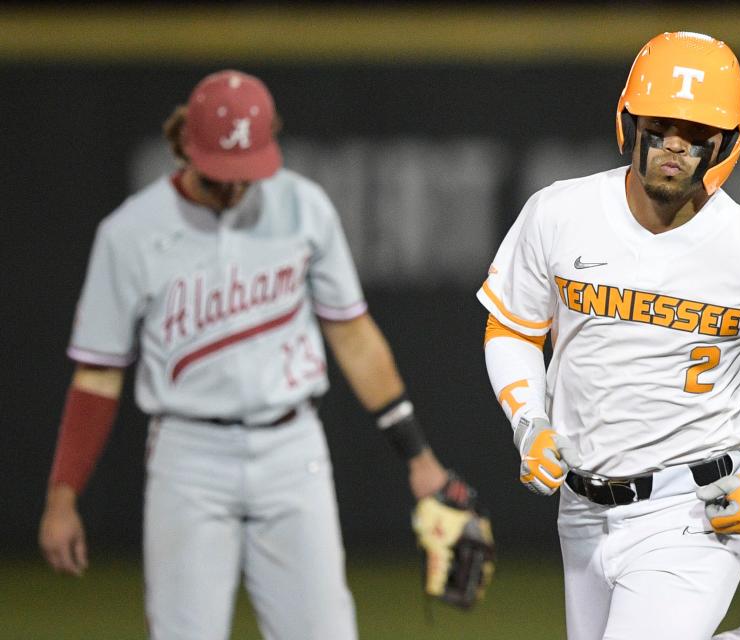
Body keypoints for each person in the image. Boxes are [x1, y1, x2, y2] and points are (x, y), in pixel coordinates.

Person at [477, 31, 740, 640]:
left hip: (693, 510)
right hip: (581, 511)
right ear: (628, 123)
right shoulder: (559, 213)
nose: (674, 146)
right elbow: (510, 324)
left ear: (726, 145)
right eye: (660, 126)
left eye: (696, 134)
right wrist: (528, 421)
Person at [38, 69, 462, 640]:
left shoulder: (304, 207)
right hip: (188, 457)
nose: (236, 186)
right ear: (186, 144)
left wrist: (417, 454)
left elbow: (353, 336)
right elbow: (98, 374)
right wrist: (63, 495)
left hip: (292, 450)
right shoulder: (130, 232)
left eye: (246, 170)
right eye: (222, 172)